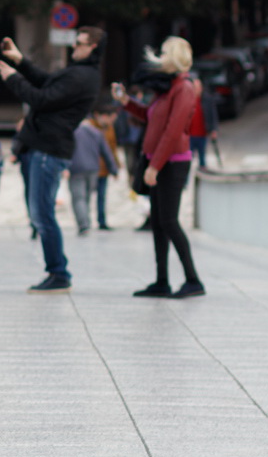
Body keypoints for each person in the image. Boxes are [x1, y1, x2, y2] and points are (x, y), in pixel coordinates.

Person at [0, 27, 105, 292]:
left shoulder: (83, 76)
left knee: (42, 214)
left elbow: (41, 99)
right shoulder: (78, 73)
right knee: (40, 213)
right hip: (41, 147)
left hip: (49, 150)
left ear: (93, 47)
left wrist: (13, 78)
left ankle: (58, 272)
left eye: (79, 43)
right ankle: (57, 271)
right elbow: (47, 82)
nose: (74, 47)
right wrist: (20, 61)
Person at [111, 36, 205, 299]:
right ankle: (161, 281)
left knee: (169, 221)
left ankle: (193, 280)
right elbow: (150, 117)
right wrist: (126, 101)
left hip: (172, 163)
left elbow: (173, 131)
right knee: (158, 222)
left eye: (164, 53)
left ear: (174, 56)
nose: (159, 57)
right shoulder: (167, 88)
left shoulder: (184, 88)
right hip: (158, 160)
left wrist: (154, 166)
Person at [67, 117, 118, 236]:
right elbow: (106, 152)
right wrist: (113, 169)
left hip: (76, 168)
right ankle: (86, 222)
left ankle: (83, 224)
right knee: (87, 196)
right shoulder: (97, 133)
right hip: (93, 169)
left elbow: (64, 150)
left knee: (78, 198)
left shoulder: (72, 132)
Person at [89, 107, 121, 230]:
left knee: (101, 196)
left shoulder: (110, 129)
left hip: (104, 169)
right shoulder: (89, 127)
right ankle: (85, 221)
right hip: (91, 167)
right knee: (86, 195)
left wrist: (115, 165)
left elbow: (112, 147)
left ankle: (101, 221)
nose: (111, 121)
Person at [187, 74, 219, 168]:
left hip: (202, 133)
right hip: (190, 135)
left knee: (202, 156)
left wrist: (213, 129)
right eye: (195, 87)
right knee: (189, 157)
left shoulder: (207, 99)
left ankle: (202, 169)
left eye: (198, 87)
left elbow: (213, 115)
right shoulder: (188, 100)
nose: (197, 89)